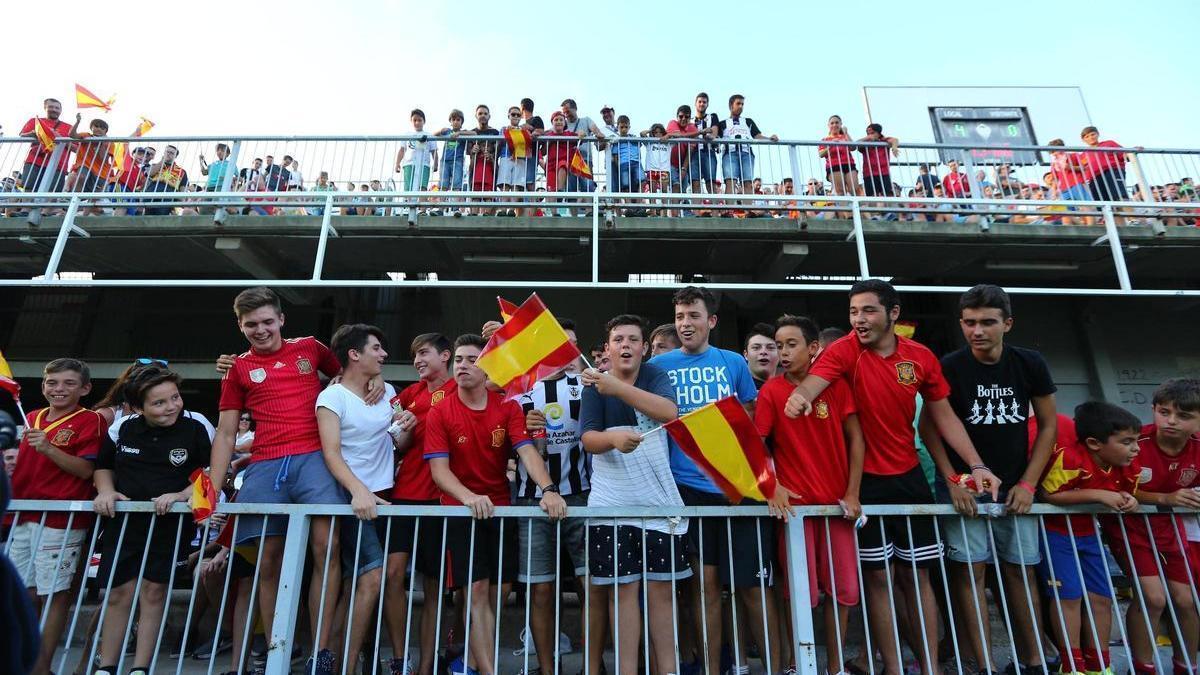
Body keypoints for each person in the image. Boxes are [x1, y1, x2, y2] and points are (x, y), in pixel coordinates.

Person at [783, 279, 1000, 675]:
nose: (859, 320)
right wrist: (801, 396)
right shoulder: (843, 351)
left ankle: (931, 667)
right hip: (862, 483)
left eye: (868, 310)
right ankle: (895, 667)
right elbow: (815, 381)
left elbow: (942, 414)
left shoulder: (920, 357)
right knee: (880, 581)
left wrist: (976, 465)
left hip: (910, 476)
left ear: (892, 314)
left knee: (918, 578)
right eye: (853, 312)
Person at [207, 286, 350, 674]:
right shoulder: (236, 369)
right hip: (266, 464)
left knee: (328, 547)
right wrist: (211, 488)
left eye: (268, 321)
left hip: (315, 458)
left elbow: (346, 375)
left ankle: (321, 651)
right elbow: (225, 433)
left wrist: (372, 382)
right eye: (251, 324)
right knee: (267, 560)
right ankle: (277, 651)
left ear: (282, 320)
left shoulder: (310, 348)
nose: (261, 329)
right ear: (240, 325)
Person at [921, 284, 1055, 674]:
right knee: (970, 573)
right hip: (966, 488)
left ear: (1007, 323)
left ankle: (1032, 660)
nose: (977, 330)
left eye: (987, 322)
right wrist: (950, 480)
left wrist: (1029, 483)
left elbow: (1047, 426)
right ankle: (983, 665)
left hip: (1016, 486)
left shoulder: (1029, 362)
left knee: (1020, 571)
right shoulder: (949, 366)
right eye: (969, 322)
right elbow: (930, 429)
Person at [647, 285, 779, 675]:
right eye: (680, 317)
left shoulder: (733, 363)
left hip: (738, 487)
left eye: (693, 316)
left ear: (712, 321)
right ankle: (712, 669)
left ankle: (774, 667)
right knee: (704, 590)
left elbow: (752, 420)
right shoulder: (659, 367)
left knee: (753, 589)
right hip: (687, 490)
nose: (685, 324)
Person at [424, 334, 566, 675]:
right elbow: (439, 472)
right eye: (458, 359)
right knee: (476, 589)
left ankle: (469, 665)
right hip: (461, 510)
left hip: (501, 509)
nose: (462, 366)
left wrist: (549, 488)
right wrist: (469, 498)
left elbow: (527, 451)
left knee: (498, 593)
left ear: (486, 369)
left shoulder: (508, 407)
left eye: (472, 359)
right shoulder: (440, 410)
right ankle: (485, 670)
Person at [579, 314, 686, 675]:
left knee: (661, 594)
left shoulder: (656, 376)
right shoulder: (593, 386)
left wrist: (618, 388)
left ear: (644, 348)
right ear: (607, 349)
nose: (625, 345)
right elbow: (588, 439)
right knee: (621, 594)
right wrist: (611, 438)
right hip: (611, 507)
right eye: (618, 339)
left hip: (660, 506)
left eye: (632, 340)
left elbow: (670, 413)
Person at [757, 314, 864, 675]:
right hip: (795, 511)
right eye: (778, 346)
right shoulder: (771, 390)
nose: (782, 353)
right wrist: (771, 485)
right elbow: (757, 444)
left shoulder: (836, 386)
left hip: (837, 507)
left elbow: (856, 440)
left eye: (791, 344)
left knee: (843, 591)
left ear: (814, 348)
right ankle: (796, 664)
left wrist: (852, 493)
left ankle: (835, 668)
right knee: (799, 593)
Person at [91, 366, 212, 675]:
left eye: (175, 398)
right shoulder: (122, 428)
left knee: (154, 592)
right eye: (159, 403)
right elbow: (103, 466)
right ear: (138, 406)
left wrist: (182, 494)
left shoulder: (197, 426)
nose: (171, 406)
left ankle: (141, 668)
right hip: (124, 523)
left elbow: (210, 474)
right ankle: (107, 666)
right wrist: (106, 492)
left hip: (170, 526)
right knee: (118, 593)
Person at [9, 358, 105, 675]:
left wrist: (49, 449)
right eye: (52, 382)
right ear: (43, 385)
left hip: (61, 519)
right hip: (22, 517)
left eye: (68, 383)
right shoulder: (32, 416)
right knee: (23, 594)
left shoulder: (89, 419)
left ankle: (41, 666)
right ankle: (22, 659)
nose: (59, 389)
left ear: (85, 388)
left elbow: (87, 470)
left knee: (54, 595)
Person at [1038, 401, 1142, 675]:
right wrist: (1097, 494)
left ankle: (1100, 664)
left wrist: (1131, 500)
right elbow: (1048, 495)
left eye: (1137, 440)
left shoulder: (1128, 465)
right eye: (1127, 441)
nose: (1136, 448)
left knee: (1101, 598)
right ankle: (1071, 666)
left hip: (1089, 536)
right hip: (1057, 536)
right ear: (1095, 443)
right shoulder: (1071, 458)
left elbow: (1131, 493)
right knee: (1068, 598)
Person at [317, 324, 398, 674]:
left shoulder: (388, 388)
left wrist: (405, 426)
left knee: (359, 585)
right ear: (354, 354)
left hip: (386, 496)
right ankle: (345, 666)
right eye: (376, 348)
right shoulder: (332, 396)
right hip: (352, 499)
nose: (383, 354)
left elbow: (398, 442)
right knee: (371, 577)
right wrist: (358, 491)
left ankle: (332, 663)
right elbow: (331, 453)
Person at [512, 320, 590, 675]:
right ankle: (547, 667)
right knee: (540, 590)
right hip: (532, 501)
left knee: (592, 586)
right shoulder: (519, 394)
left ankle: (594, 666)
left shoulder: (589, 387)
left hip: (583, 496)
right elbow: (515, 449)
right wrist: (533, 435)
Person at [1108, 379, 1200, 675]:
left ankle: (1186, 666)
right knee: (1153, 598)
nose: (1170, 421)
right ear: (1153, 410)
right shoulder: (1136, 442)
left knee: (1187, 601)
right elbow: (1116, 488)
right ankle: (1143, 667)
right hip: (1130, 528)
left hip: (1171, 529)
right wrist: (1165, 497)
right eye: (1164, 412)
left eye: (1184, 416)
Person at [385, 333, 456, 675]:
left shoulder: (462, 388)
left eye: (424, 353)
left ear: (446, 356)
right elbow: (399, 446)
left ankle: (427, 665)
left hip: (441, 501)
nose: (417, 360)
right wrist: (405, 431)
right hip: (404, 495)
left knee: (433, 586)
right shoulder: (406, 396)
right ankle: (401, 659)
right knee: (392, 575)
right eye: (414, 355)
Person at [717, 95, 777, 200]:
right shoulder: (723, 123)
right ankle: (729, 211)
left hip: (746, 153)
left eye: (742, 104)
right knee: (730, 182)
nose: (741, 106)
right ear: (731, 105)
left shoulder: (748, 121)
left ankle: (749, 210)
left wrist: (770, 138)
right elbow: (717, 138)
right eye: (738, 103)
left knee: (748, 182)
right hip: (730, 154)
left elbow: (757, 135)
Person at [19, 98, 73, 193]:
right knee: (29, 190)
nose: (54, 110)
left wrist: (59, 137)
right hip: (34, 161)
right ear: (45, 108)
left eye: (57, 108)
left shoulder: (69, 127)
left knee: (53, 194)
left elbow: (76, 148)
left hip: (58, 165)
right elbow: (22, 135)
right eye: (51, 107)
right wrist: (34, 133)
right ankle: (26, 208)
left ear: (61, 110)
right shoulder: (35, 121)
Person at [1081, 126, 1135, 203]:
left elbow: (1124, 155)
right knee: (1102, 204)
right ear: (1083, 140)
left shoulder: (1109, 143)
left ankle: (1129, 214)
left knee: (1119, 197)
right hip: (1094, 178)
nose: (1091, 137)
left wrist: (1132, 152)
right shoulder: (1083, 154)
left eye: (1093, 134)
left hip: (1112, 171)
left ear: (1098, 134)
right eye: (1087, 136)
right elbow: (1081, 168)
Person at [66, 116, 113, 200]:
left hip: (100, 172)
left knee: (93, 196)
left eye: (102, 128)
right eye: (96, 126)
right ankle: (74, 200)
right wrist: (77, 122)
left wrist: (101, 143)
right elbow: (72, 135)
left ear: (106, 131)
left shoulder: (109, 142)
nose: (99, 129)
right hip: (85, 165)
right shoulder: (86, 135)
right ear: (91, 128)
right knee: (81, 176)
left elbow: (104, 159)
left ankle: (81, 208)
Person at [497, 106, 531, 216]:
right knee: (504, 184)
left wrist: (526, 130)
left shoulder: (524, 130)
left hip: (520, 158)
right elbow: (498, 144)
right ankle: (502, 209)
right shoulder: (503, 129)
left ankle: (511, 210)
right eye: (513, 114)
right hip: (506, 156)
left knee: (517, 184)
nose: (516, 116)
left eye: (518, 115)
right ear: (508, 116)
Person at [396, 109, 438, 194]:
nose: (417, 123)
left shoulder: (429, 135)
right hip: (409, 164)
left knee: (422, 187)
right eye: (414, 120)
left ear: (424, 121)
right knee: (408, 187)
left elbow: (434, 151)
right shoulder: (407, 135)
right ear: (411, 121)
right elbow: (402, 150)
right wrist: (397, 163)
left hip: (424, 164)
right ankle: (408, 206)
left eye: (419, 120)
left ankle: (421, 207)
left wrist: (436, 163)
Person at [467, 105, 500, 213]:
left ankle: (487, 219)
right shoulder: (471, 133)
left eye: (485, 113)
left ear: (489, 116)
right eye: (480, 113)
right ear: (476, 116)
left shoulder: (495, 132)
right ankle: (473, 218)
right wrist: (473, 151)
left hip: (489, 170)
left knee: (488, 197)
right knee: (475, 197)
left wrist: (490, 156)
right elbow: (469, 153)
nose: (483, 116)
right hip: (476, 169)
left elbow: (497, 154)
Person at [820, 115, 858, 200]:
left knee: (855, 190)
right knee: (840, 192)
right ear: (828, 125)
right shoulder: (825, 140)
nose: (834, 125)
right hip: (834, 165)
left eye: (837, 122)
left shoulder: (845, 137)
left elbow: (853, 147)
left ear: (841, 124)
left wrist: (846, 133)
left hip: (849, 164)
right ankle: (846, 213)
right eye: (832, 123)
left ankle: (859, 211)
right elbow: (821, 154)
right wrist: (830, 146)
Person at [143, 145, 189, 216]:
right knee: (147, 217)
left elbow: (183, 189)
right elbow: (150, 173)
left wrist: (181, 202)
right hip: (151, 194)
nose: (168, 154)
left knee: (161, 217)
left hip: (168, 197)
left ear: (175, 156)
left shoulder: (182, 172)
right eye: (167, 152)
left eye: (171, 153)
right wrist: (162, 161)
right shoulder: (155, 165)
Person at [690, 92, 721, 196]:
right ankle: (697, 211)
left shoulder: (712, 117)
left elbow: (714, 131)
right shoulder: (690, 120)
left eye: (704, 102)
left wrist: (710, 136)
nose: (702, 104)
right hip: (693, 154)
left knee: (711, 183)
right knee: (695, 183)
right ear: (695, 103)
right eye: (699, 102)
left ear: (707, 104)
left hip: (709, 152)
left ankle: (715, 212)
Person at [858, 123, 900, 199]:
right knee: (871, 196)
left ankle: (888, 211)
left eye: (872, 133)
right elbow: (856, 144)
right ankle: (874, 211)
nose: (870, 135)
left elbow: (894, 140)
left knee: (887, 195)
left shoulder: (883, 141)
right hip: (869, 174)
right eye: (868, 133)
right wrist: (867, 138)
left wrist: (894, 147)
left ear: (878, 133)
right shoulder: (865, 144)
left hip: (884, 173)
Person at [743, 322, 780, 390]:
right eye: (756, 348)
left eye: (770, 348)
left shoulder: (791, 392)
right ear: (746, 355)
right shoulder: (735, 390)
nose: (763, 352)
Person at [519, 98, 545, 193]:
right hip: (521, 155)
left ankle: (532, 204)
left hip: (531, 155)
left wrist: (532, 129)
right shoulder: (521, 125)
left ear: (522, 108)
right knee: (521, 184)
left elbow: (541, 131)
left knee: (529, 182)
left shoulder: (536, 119)